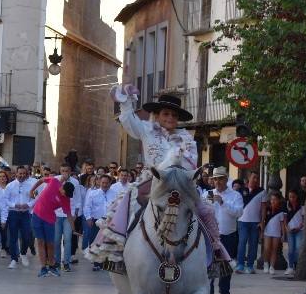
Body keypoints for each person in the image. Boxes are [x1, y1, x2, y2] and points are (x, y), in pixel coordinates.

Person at [87, 88, 231, 275]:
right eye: (166, 113)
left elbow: (191, 164)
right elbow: (129, 122)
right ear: (157, 115)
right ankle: (116, 253)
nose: (170, 117)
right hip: (152, 180)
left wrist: (177, 160)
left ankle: (215, 254)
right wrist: (126, 102)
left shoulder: (187, 138)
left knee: (206, 210)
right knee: (127, 201)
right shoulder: (147, 130)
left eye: (173, 114)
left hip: (180, 183)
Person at [204, 166, 242, 294]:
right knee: (210, 266)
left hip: (228, 235)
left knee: (226, 268)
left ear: (226, 179)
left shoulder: (235, 195)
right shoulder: (207, 194)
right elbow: (202, 212)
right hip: (212, 237)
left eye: (220, 179)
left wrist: (222, 202)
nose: (218, 182)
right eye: (215, 179)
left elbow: (239, 213)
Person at [31, 175, 67, 277]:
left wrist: (73, 227)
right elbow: (41, 180)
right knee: (40, 242)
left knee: (50, 243)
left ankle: (51, 265)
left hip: (50, 219)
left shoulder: (65, 199)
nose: (64, 194)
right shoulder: (54, 181)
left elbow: (68, 213)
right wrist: (31, 190)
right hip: (37, 215)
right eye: (64, 191)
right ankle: (43, 267)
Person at [4, 165, 37, 269]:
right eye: (20, 173)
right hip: (13, 213)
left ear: (26, 174)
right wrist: (15, 205)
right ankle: (14, 259)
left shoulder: (31, 185)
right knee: (13, 237)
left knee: (27, 236)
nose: (22, 175)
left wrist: (29, 205)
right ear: (16, 174)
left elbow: (35, 198)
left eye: (24, 173)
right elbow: (5, 200)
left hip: (25, 214)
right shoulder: (10, 186)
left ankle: (23, 253)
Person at [83, 174, 114, 271]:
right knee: (95, 242)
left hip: (110, 221)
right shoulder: (93, 193)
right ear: (99, 182)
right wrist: (88, 218)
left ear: (110, 183)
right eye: (103, 182)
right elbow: (87, 206)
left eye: (106, 183)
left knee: (108, 242)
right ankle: (96, 263)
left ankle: (107, 263)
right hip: (96, 221)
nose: (105, 185)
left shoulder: (115, 193)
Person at [236, 172, 264, 274]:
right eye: (254, 177)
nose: (256, 180)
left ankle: (250, 265)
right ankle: (240, 265)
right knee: (242, 242)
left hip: (255, 222)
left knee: (253, 244)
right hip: (242, 221)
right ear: (249, 178)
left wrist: (262, 221)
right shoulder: (241, 190)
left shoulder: (261, 191)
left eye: (257, 178)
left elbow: (263, 207)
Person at [261, 189, 286, 274]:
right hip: (267, 232)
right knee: (267, 248)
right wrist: (261, 230)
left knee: (274, 249)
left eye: (275, 200)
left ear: (278, 200)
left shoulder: (281, 211)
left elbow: (282, 224)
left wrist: (283, 234)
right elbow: (263, 220)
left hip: (277, 233)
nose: (273, 201)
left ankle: (272, 266)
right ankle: (265, 264)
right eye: (271, 199)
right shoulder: (267, 209)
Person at [285, 189, 304, 270]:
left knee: (298, 248)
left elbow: (304, 219)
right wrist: (287, 228)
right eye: (290, 197)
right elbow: (284, 219)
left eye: (293, 197)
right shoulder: (286, 206)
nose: (291, 199)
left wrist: (299, 227)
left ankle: (296, 265)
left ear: (297, 197)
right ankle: (290, 266)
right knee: (291, 249)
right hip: (290, 230)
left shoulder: (301, 206)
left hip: (299, 230)